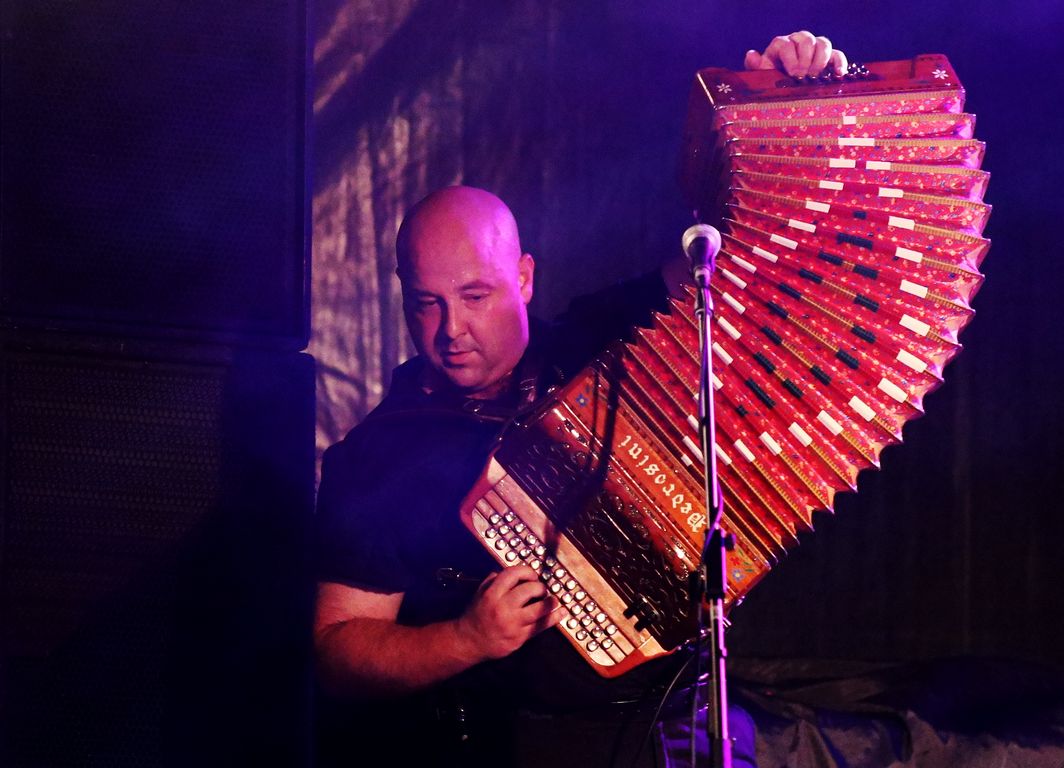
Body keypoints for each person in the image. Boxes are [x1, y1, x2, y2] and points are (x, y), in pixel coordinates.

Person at [313, 32, 848, 767]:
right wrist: (464, 639)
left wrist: (780, 103)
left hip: (674, 722)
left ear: (525, 278)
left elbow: (733, 252)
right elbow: (337, 650)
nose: (452, 330)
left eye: (476, 296)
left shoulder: (602, 338)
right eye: (426, 304)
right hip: (508, 746)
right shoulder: (377, 457)